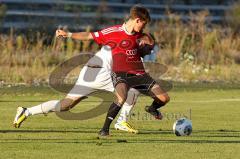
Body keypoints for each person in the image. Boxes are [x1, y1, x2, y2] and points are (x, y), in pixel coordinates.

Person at [53, 5, 170, 136]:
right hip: (120, 72)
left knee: (164, 98)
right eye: (143, 24)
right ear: (137, 20)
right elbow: (89, 35)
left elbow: (147, 48)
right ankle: (105, 129)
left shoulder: (142, 36)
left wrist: (147, 46)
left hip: (139, 73)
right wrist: (68, 34)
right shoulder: (113, 32)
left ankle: (152, 109)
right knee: (121, 97)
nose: (144, 27)